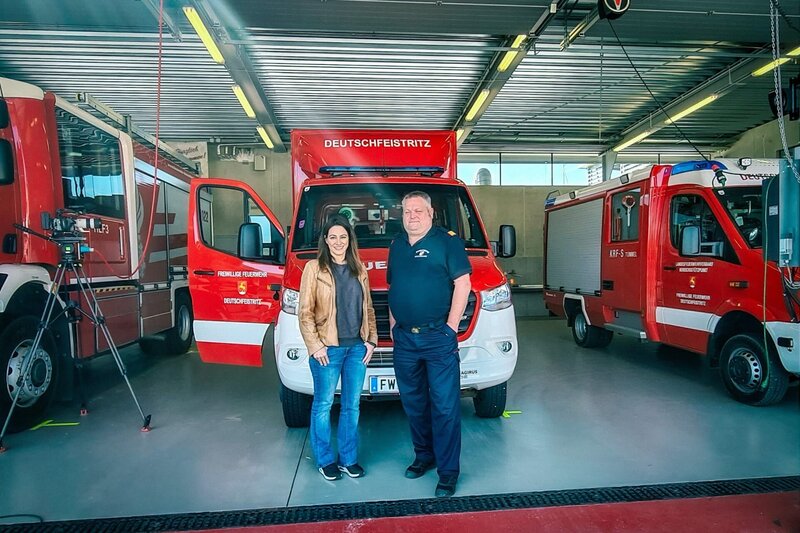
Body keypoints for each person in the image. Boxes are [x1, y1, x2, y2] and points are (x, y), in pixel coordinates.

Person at [387, 191, 472, 498]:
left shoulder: (447, 242)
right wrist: (395, 326)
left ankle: (448, 472)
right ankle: (425, 456)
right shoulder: (396, 245)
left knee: (446, 406)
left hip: (438, 338)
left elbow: (463, 284)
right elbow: (392, 286)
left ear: (431, 213)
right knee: (413, 403)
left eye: (418, 211)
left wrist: (451, 328)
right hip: (406, 340)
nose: (412, 216)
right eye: (407, 211)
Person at [298, 216, 378, 481]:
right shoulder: (314, 268)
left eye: (343, 237)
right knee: (323, 405)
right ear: (325, 240)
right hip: (327, 350)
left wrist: (371, 341)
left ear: (349, 240)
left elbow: (368, 308)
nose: (338, 242)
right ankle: (325, 460)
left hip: (356, 348)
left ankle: (348, 460)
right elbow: (305, 312)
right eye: (332, 237)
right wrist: (315, 346)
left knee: (352, 406)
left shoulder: (359, 269)